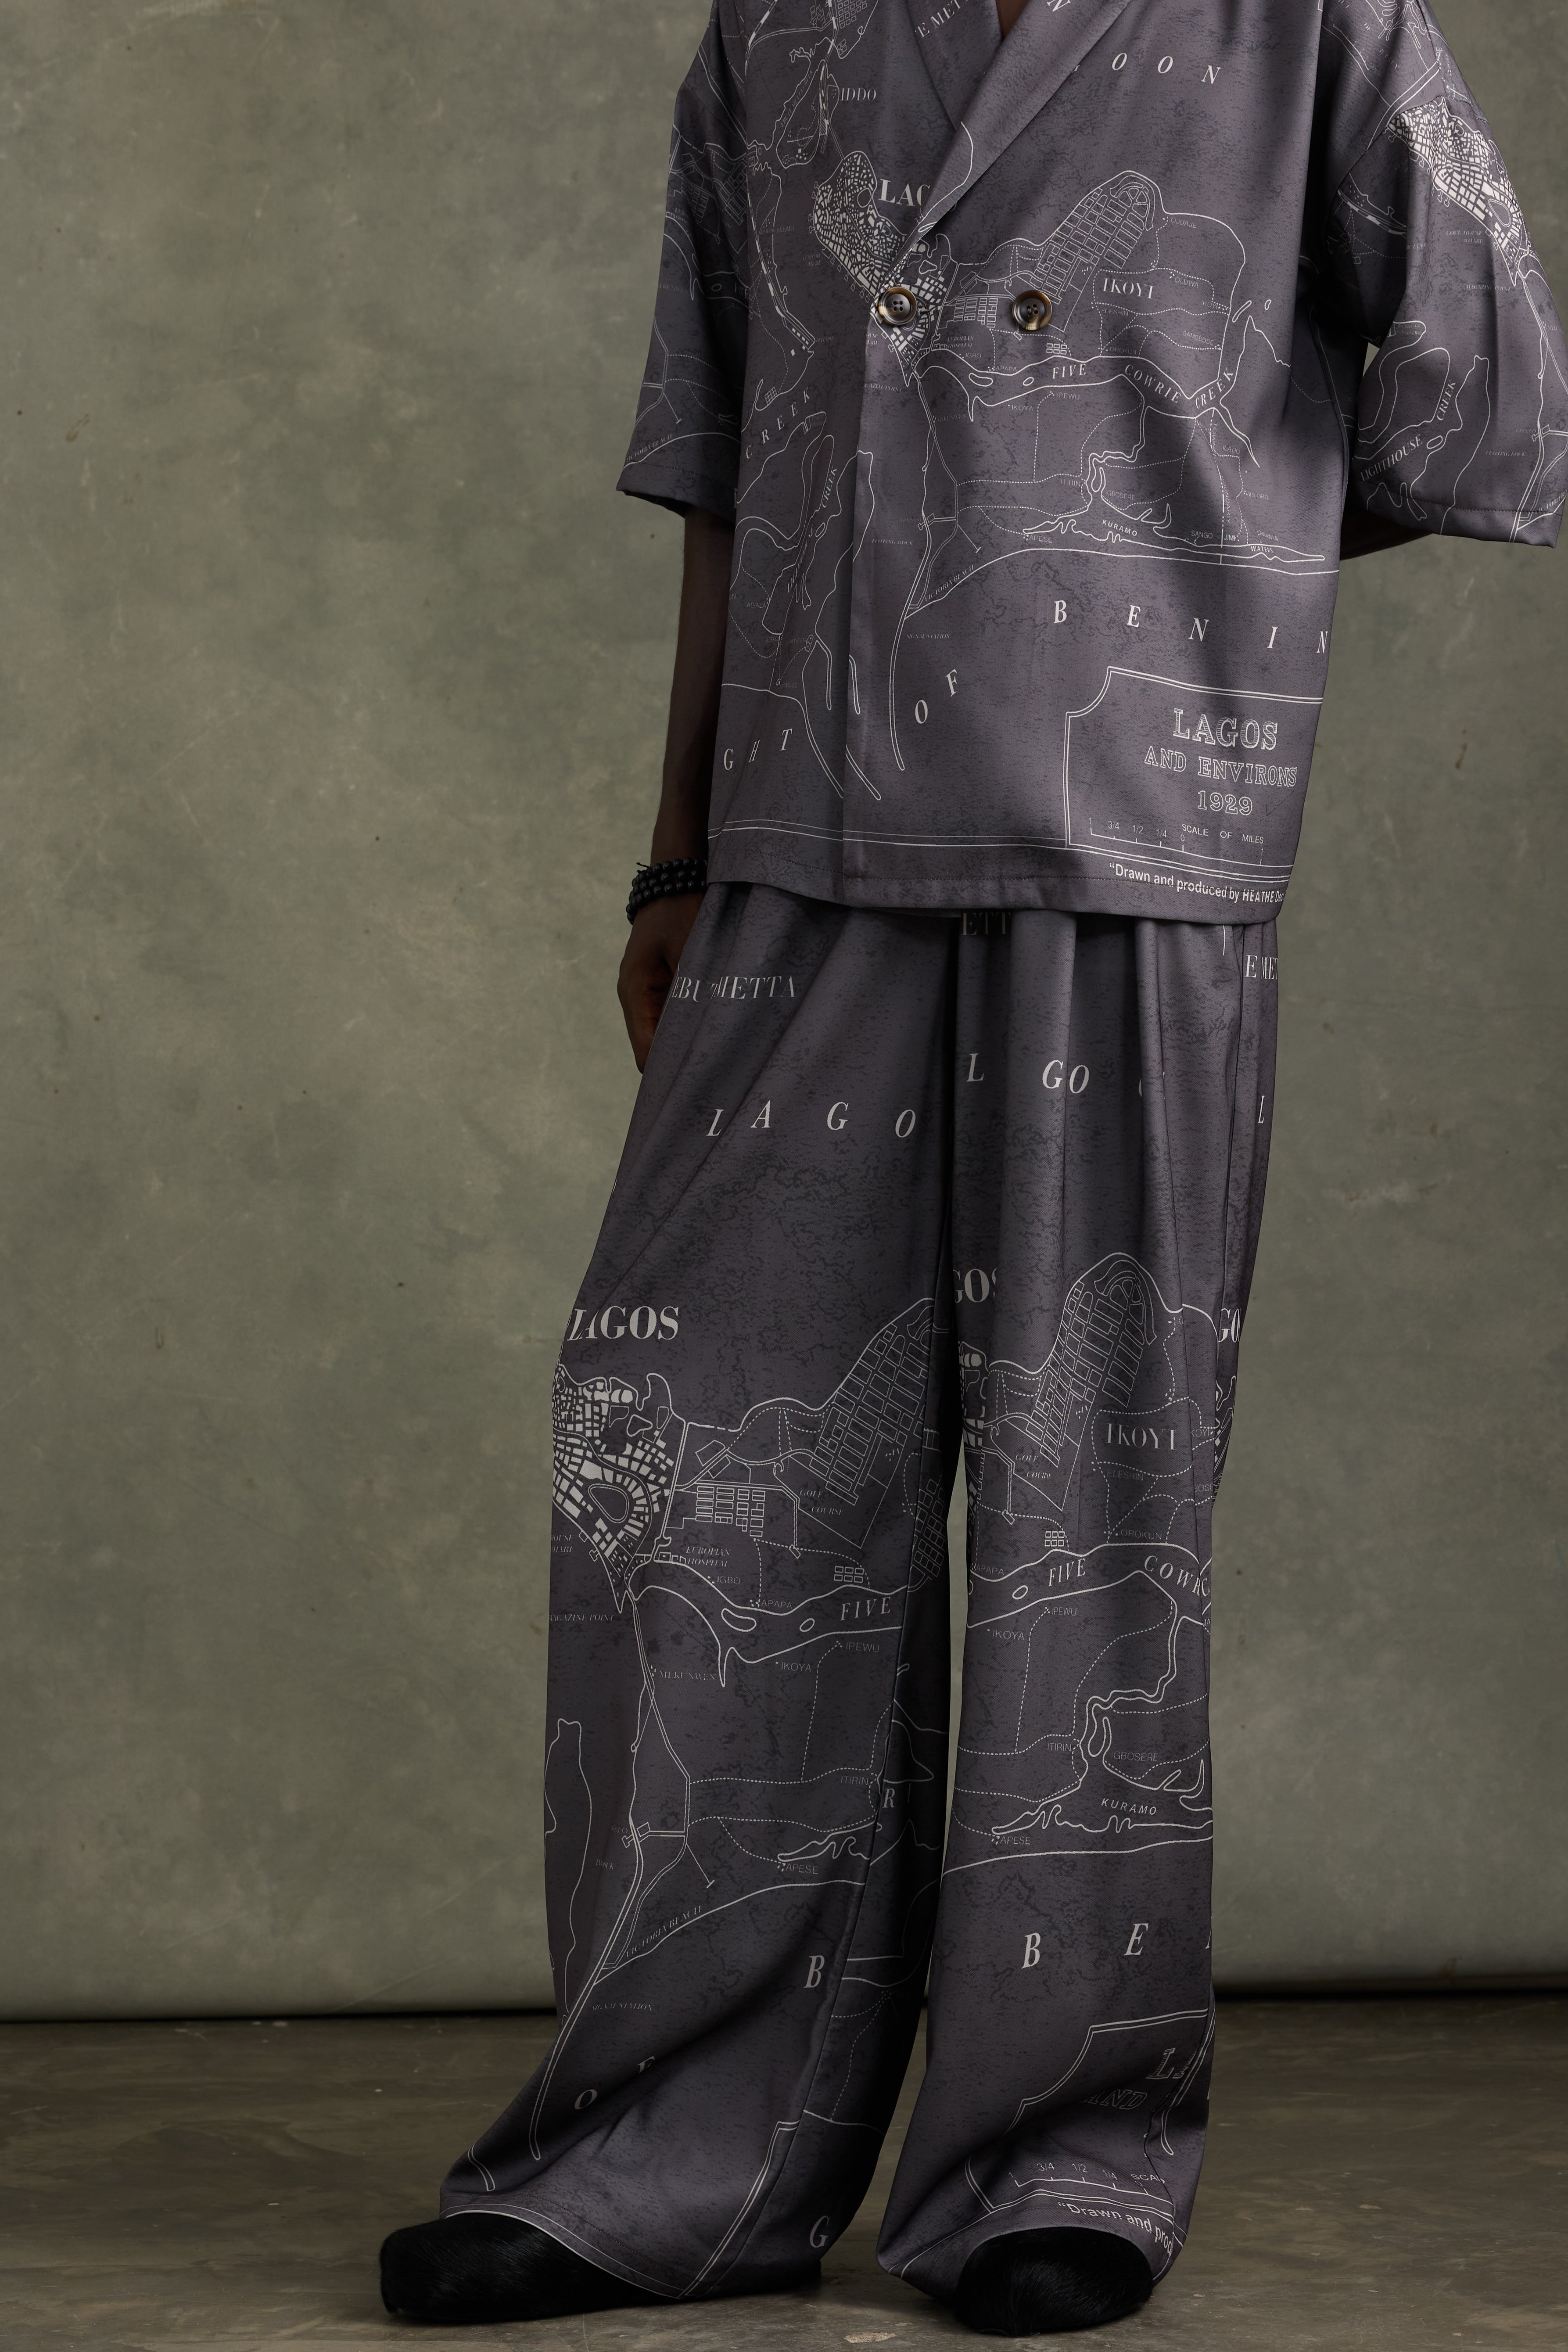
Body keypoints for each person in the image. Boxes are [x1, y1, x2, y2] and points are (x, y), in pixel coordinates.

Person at [380, 0, 1564, 2332]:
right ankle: (664, 2158)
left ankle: (1057, 2158)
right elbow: (732, 458)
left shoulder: (1308, 25)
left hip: (1130, 836)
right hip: (799, 840)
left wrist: (1177, 544)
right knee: (691, 1469)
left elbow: (1483, 395)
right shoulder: (778, 36)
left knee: (1083, 1509)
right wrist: (674, 850)